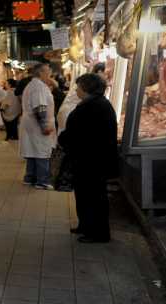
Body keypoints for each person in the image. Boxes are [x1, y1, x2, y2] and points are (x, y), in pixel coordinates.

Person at [58, 74, 117, 243]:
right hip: (93, 160)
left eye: (78, 87)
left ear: (86, 88)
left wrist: (64, 139)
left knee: (92, 197)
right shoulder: (100, 104)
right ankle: (86, 226)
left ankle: (97, 233)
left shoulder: (90, 107)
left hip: (91, 161)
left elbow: (77, 133)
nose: (76, 90)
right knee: (87, 196)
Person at [20, 63, 57, 190]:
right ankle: (42, 181)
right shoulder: (39, 87)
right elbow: (40, 108)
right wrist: (44, 125)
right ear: (40, 73)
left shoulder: (33, 85)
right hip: (37, 124)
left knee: (32, 150)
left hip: (30, 123)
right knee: (42, 152)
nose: (50, 73)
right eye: (48, 71)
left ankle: (29, 178)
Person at [57, 62, 108, 135]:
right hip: (67, 115)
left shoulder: (91, 85)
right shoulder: (91, 84)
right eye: (105, 73)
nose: (106, 76)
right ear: (100, 72)